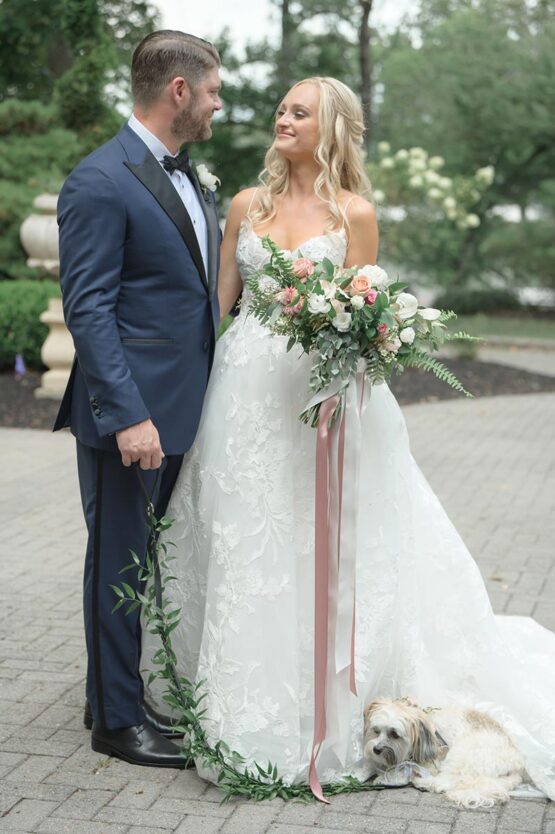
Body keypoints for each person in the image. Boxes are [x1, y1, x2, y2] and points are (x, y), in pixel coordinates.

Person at [143, 77, 555, 797]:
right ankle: (232, 704)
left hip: (326, 400)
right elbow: (215, 313)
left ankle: (336, 702)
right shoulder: (247, 205)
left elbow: (368, 314)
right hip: (243, 397)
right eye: (281, 109)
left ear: (330, 126)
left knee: (325, 545)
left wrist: (361, 353)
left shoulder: (355, 213)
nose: (283, 118)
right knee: (245, 539)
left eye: (298, 111)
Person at [54, 30, 222, 767]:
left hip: (180, 407)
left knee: (139, 564)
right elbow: (88, 309)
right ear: (178, 91)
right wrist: (128, 416)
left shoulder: (187, 176)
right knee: (118, 563)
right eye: (213, 89)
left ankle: (115, 690)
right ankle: (116, 724)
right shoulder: (100, 179)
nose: (220, 102)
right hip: (133, 417)